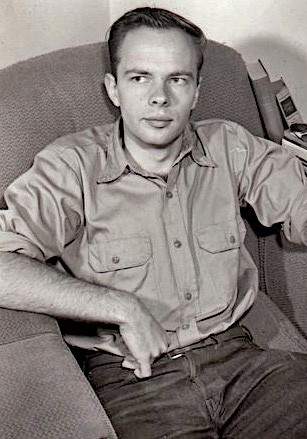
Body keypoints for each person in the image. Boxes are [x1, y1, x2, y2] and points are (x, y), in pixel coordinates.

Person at [1, 6, 307, 439]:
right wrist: (122, 308)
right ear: (114, 88)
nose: (159, 97)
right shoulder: (71, 166)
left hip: (244, 364)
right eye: (140, 78)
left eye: (177, 79)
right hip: (132, 379)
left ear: (197, 91)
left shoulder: (230, 145)